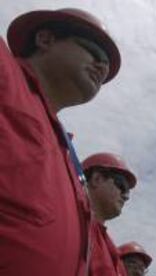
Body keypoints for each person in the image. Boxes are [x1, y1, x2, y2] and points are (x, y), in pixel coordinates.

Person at [0, 8, 121, 276]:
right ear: (45, 39)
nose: (102, 67)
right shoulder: (6, 71)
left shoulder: (67, 160)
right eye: (94, 51)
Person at [82, 152, 137, 276]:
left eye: (128, 192)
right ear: (97, 179)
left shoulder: (110, 250)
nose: (126, 197)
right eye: (121, 185)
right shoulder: (68, 223)